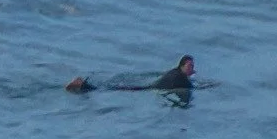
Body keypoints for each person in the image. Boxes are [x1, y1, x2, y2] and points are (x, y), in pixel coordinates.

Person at [66, 56, 195, 94]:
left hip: (150, 87)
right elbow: (190, 87)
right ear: (182, 66)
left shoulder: (175, 72)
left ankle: (85, 85)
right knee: (115, 90)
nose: (192, 69)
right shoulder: (180, 77)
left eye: (192, 67)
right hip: (149, 89)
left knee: (117, 88)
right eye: (189, 66)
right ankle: (84, 86)